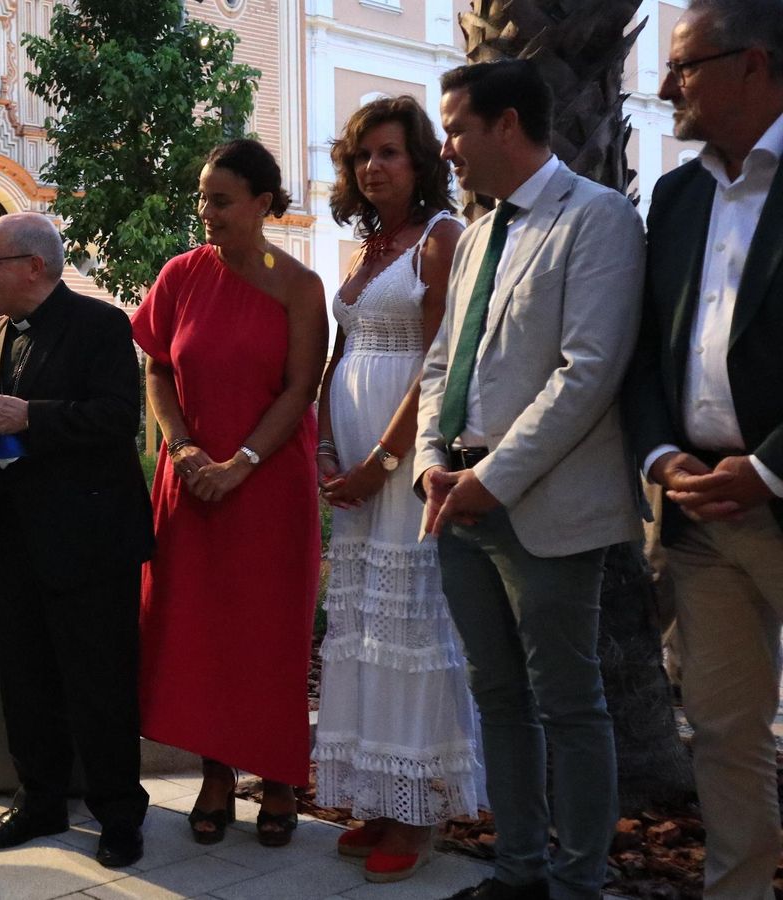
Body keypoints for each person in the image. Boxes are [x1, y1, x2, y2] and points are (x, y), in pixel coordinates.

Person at [419, 60, 646, 900]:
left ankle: (578, 883)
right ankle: (519, 874)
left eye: (455, 129)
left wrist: (493, 479)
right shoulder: (477, 233)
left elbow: (587, 374)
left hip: (545, 509)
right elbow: (443, 361)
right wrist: (433, 464)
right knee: (499, 699)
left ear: (506, 124)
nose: (446, 149)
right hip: (459, 503)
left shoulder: (598, 218)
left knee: (568, 704)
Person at [0, 212, 155, 869]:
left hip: (89, 541)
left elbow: (116, 420)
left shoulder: (102, 324)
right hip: (14, 534)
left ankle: (119, 816)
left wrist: (34, 415)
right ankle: (39, 799)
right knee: (25, 680)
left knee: (100, 683)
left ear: (35, 267)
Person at [622, 3, 783, 897]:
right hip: (702, 516)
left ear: (755, 64)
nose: (667, 83)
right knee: (725, 729)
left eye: (686, 65)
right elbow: (648, 350)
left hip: (770, 489)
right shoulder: (678, 194)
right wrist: (659, 455)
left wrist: (766, 468)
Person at [130, 139, 326, 849]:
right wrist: (182, 448)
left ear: (263, 204)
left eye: (221, 199)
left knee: (269, 633)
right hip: (191, 484)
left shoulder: (300, 286)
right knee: (201, 632)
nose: (206, 212)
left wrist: (240, 462)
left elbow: (301, 388)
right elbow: (156, 368)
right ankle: (216, 777)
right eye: (203, 198)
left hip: (269, 486)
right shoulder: (181, 275)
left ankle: (277, 780)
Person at [312, 96, 482, 883]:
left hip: (406, 465)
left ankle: (419, 815)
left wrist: (383, 458)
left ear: (420, 161)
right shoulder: (366, 250)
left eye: (387, 153)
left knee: (412, 632)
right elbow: (342, 349)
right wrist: (320, 436)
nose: (372, 167)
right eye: (361, 156)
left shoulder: (442, 240)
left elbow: (441, 359)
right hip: (350, 468)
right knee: (364, 633)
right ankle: (379, 795)